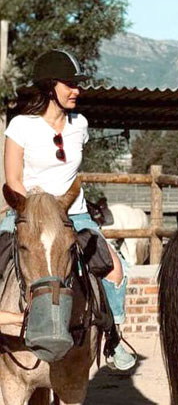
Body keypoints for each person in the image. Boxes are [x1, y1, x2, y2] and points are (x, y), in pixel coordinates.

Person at [2, 49, 136, 371]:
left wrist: (64, 211)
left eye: (78, 85)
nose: (77, 90)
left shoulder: (80, 125)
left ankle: (113, 338)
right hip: (28, 215)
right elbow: (13, 180)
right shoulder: (21, 126)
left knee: (116, 269)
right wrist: (37, 211)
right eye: (70, 84)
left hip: (73, 215)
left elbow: (71, 174)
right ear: (50, 87)